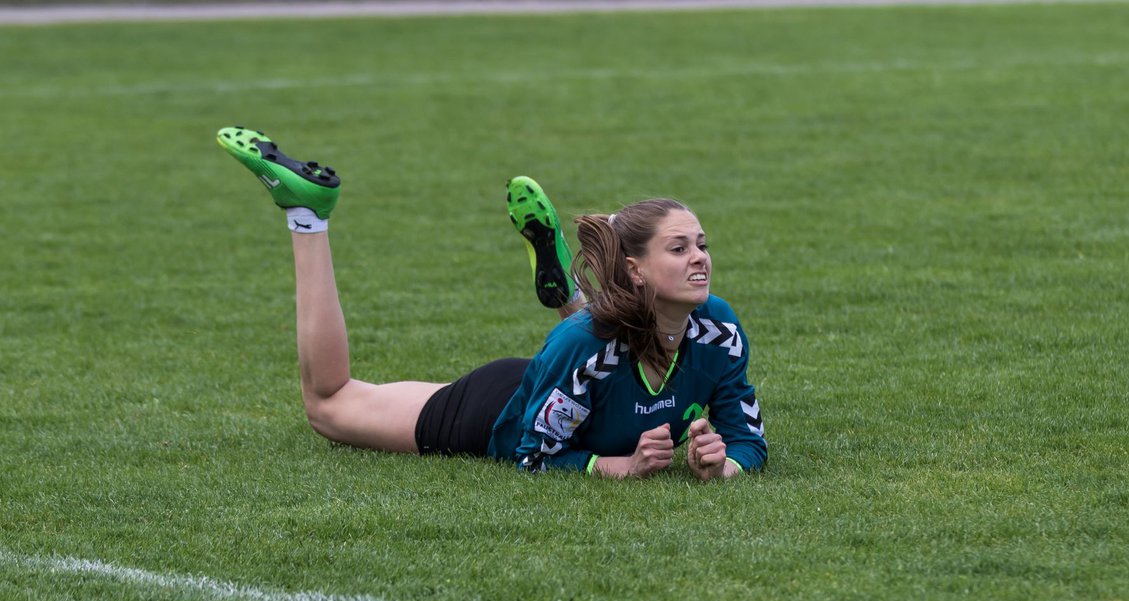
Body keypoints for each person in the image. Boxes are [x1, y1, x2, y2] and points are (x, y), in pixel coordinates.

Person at [215, 126, 766, 479]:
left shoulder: (719, 328)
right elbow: (532, 454)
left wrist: (723, 466)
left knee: (597, 349)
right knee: (330, 405)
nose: (700, 258)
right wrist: (619, 465)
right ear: (634, 269)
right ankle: (307, 215)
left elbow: (748, 439)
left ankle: (568, 292)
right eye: (679, 247)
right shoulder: (582, 346)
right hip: (495, 408)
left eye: (702, 244)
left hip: (570, 375)